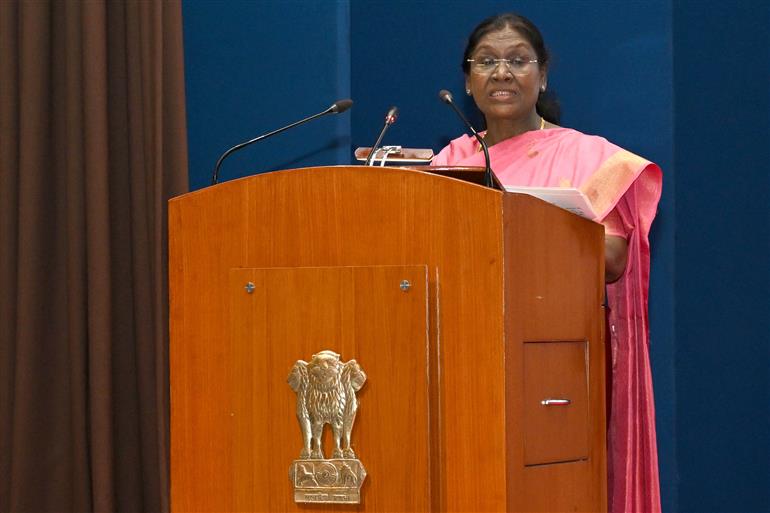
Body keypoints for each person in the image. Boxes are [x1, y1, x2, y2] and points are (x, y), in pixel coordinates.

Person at [432, 13, 663, 513]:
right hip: (461, 361)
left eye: (518, 60)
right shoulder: (449, 161)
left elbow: (613, 258)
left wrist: (537, 228)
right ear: (468, 81)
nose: (502, 73)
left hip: (552, 357)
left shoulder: (591, 157)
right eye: (487, 61)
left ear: (543, 75)